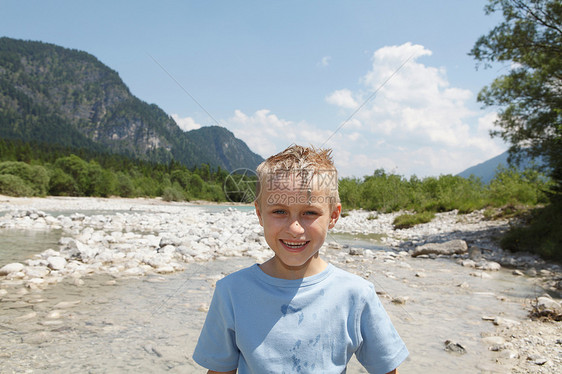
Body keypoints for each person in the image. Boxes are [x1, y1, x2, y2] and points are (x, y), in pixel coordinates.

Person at [193, 145, 408, 374]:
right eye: (279, 212)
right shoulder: (232, 292)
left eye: (310, 213)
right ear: (259, 214)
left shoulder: (357, 295)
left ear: (333, 216)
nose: (294, 228)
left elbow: (386, 369)